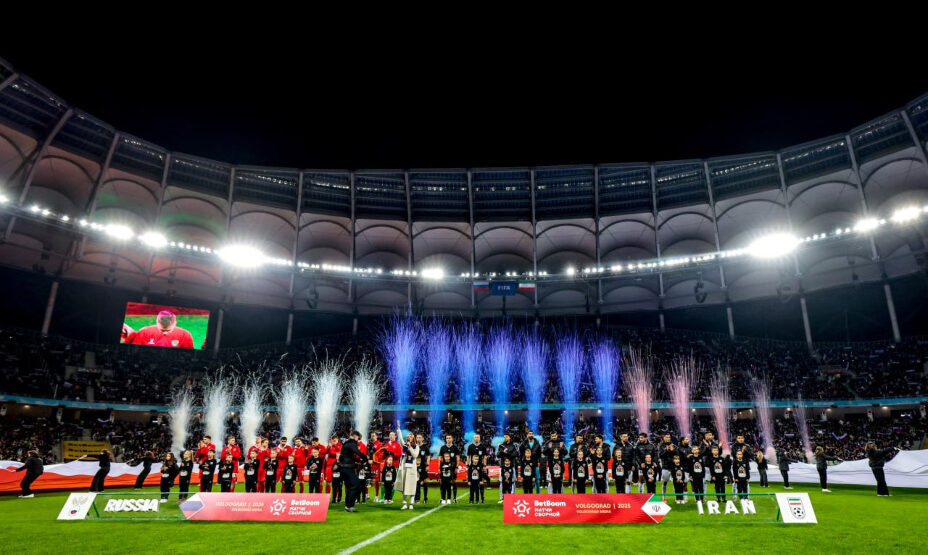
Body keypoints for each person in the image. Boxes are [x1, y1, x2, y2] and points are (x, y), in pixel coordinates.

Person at [125, 309, 194, 348]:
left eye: (168, 330)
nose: (165, 333)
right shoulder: (143, 332)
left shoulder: (185, 335)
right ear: (156, 322)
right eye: (162, 330)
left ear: (175, 323)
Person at [340, 430, 370, 513]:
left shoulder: (346, 443)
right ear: (355, 436)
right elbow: (358, 452)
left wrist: (358, 460)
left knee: (350, 487)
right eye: (358, 438)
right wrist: (366, 459)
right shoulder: (352, 443)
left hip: (343, 468)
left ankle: (347, 506)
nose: (358, 440)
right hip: (348, 468)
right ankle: (350, 506)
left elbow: (349, 456)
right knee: (356, 484)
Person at [399, 432, 421, 509]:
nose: (409, 438)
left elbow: (415, 455)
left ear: (413, 439)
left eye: (411, 437)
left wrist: (410, 447)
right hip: (405, 467)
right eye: (408, 437)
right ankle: (404, 504)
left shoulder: (416, 446)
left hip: (412, 468)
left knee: (412, 485)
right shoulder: (404, 445)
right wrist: (398, 430)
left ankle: (411, 504)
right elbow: (400, 439)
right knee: (404, 486)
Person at [438, 434, 462, 503]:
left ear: (452, 439)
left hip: (453, 468)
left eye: (449, 438)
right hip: (444, 467)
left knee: (453, 481)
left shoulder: (455, 447)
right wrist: (439, 468)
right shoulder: (443, 448)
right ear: (446, 439)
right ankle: (442, 498)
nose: (448, 439)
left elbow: (457, 458)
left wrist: (456, 467)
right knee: (443, 483)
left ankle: (454, 498)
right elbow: (440, 458)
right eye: (447, 438)